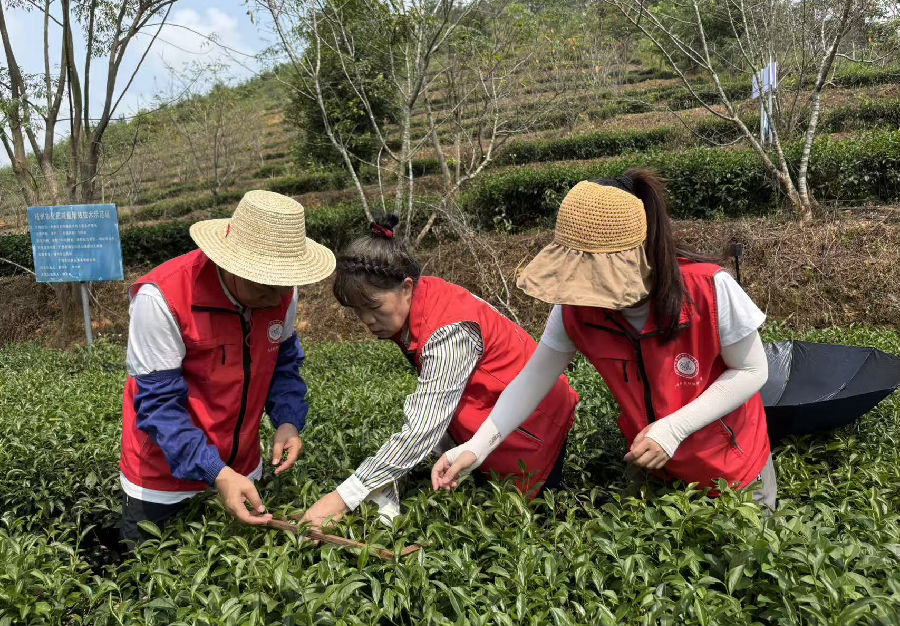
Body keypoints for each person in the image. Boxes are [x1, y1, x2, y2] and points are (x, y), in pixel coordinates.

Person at [433, 169, 777, 510]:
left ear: (640, 253)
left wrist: (673, 430)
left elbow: (751, 370)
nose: (587, 291)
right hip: (652, 462)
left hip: (733, 467)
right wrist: (476, 447)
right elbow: (531, 381)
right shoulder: (574, 310)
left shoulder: (708, 290)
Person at [301, 215, 580, 527]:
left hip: (532, 422)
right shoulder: (423, 297)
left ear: (406, 287)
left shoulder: (448, 331)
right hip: (495, 416)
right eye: (358, 311)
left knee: (533, 524)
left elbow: (424, 426)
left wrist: (342, 498)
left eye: (374, 308)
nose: (366, 320)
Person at [119, 190, 335, 544]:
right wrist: (215, 471)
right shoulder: (163, 298)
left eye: (286, 284)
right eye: (266, 284)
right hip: (162, 483)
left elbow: (282, 366)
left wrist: (287, 421)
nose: (278, 297)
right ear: (231, 264)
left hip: (243, 470)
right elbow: (160, 406)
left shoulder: (282, 296)